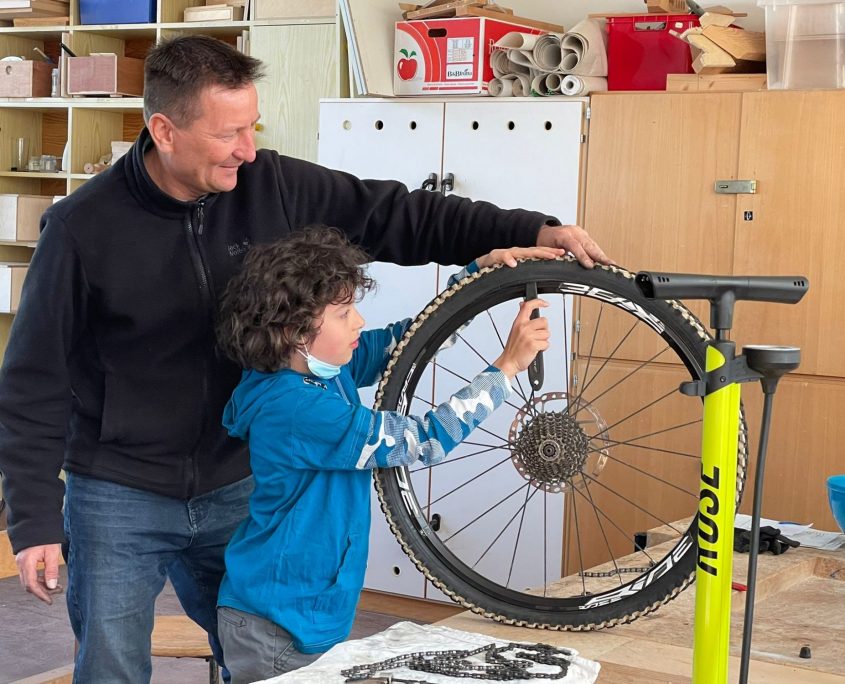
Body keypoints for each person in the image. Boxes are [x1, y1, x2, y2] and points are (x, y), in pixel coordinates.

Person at [0, 34, 610, 681]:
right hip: (119, 492)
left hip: (241, 480)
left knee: (262, 658)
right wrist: (33, 517)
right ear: (165, 131)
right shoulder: (81, 228)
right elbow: (34, 379)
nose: (248, 149)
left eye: (252, 127)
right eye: (229, 133)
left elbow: (398, 214)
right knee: (111, 668)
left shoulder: (271, 184)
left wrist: (525, 230)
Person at [214, 225, 557, 682]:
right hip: (277, 625)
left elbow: (413, 341)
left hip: (303, 610)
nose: (358, 322)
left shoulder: (320, 371)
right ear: (294, 331)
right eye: (343, 313)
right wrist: (506, 368)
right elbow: (423, 439)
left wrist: (475, 277)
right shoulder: (295, 407)